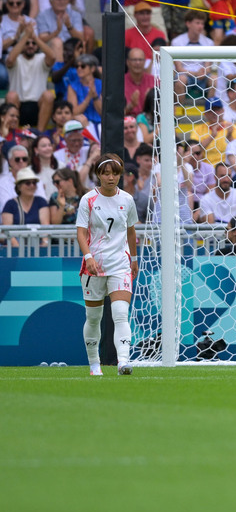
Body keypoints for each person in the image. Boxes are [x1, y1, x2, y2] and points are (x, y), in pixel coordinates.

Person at [75, 153, 139, 376]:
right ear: (99, 175)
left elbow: (131, 231)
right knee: (94, 318)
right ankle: (94, 364)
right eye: (106, 173)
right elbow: (81, 233)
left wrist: (134, 258)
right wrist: (88, 257)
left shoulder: (127, 200)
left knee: (121, 312)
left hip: (120, 263)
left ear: (120, 175)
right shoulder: (88, 200)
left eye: (115, 173)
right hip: (94, 265)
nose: (111, 178)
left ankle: (123, 361)